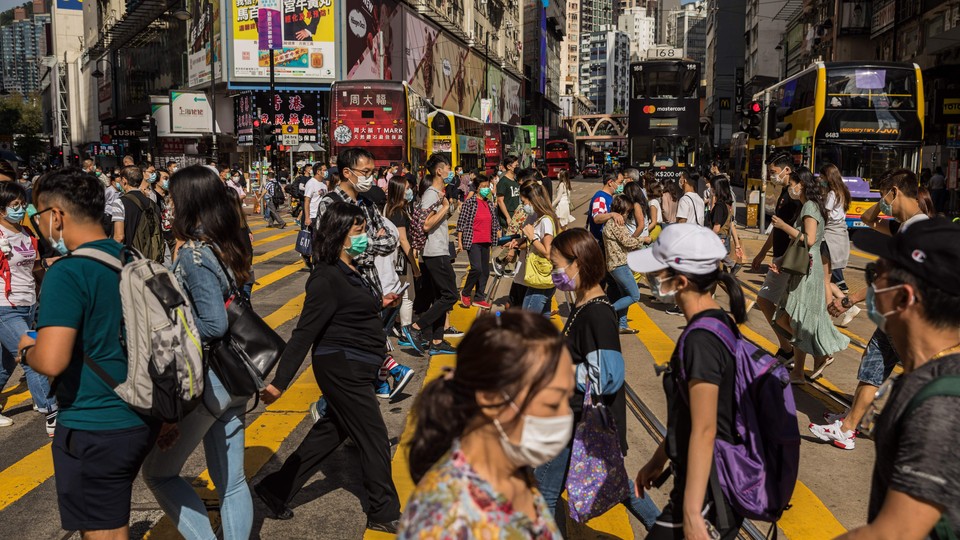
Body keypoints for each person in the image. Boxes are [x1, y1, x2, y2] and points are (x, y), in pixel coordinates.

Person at [19, 168, 159, 538]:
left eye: (37, 216)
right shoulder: (132, 258)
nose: (36, 226)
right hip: (143, 415)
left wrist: (26, 351)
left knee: (104, 532)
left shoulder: (69, 272)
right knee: (114, 521)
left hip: (94, 423)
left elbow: (51, 360)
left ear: (56, 216)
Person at [255, 202, 403, 534]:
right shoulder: (325, 277)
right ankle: (383, 511)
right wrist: (280, 382)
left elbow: (350, 310)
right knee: (374, 437)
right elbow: (303, 333)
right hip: (342, 367)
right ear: (338, 234)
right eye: (358, 231)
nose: (365, 236)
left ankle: (275, 489)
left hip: (358, 364)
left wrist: (380, 303)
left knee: (329, 434)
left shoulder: (351, 270)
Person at [141, 165, 254, 540]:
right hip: (236, 376)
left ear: (188, 201)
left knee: (158, 474)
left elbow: (213, 324)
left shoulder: (195, 254)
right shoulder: (228, 243)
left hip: (209, 381)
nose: (169, 204)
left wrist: (174, 334)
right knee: (232, 482)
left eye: (173, 197)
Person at [834, 218, 960, 540]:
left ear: (904, 298)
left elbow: (893, 535)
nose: (871, 287)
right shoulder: (929, 375)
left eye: (876, 276)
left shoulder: (940, 405)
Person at [399, 310, 572, 538]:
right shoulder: (446, 521)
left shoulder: (509, 469)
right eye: (552, 401)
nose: (566, 415)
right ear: (491, 398)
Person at [628, 224, 747, 539]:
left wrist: (692, 513)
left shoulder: (700, 341)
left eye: (657, 273)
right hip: (703, 485)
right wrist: (658, 460)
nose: (653, 281)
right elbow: (688, 413)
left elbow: (706, 428)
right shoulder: (719, 322)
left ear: (679, 281)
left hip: (708, 492)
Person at [535, 228, 659, 531]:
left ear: (578, 263)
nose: (555, 272)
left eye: (557, 264)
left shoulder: (598, 313)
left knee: (544, 493)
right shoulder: (583, 306)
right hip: (575, 418)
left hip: (580, 420)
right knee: (612, 483)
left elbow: (607, 376)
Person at [813, 168, 929, 451]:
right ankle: (849, 424)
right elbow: (867, 219)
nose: (882, 202)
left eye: (884, 195)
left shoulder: (917, 230)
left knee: (916, 379)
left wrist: (849, 299)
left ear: (895, 193)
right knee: (873, 368)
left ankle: (854, 427)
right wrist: (885, 197)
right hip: (893, 318)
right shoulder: (905, 225)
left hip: (908, 320)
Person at [771, 167, 850, 384]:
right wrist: (781, 261)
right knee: (789, 318)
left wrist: (783, 225)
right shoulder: (809, 205)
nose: (791, 189)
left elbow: (810, 239)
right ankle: (811, 361)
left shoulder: (810, 207)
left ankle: (817, 357)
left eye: (792, 184)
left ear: (801, 184)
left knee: (794, 318)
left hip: (808, 268)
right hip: (804, 266)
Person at [0, 182, 56, 434]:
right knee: (31, 356)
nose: (20, 209)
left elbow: (32, 266)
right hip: (4, 307)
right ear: (1, 210)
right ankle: (52, 412)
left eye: (22, 204)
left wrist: (48, 265)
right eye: (14, 206)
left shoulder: (25, 232)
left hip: (28, 305)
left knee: (4, 365)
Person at [401, 154, 458, 356]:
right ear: (439, 171)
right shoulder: (432, 194)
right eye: (448, 168)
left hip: (437, 250)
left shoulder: (436, 193)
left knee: (440, 296)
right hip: (435, 252)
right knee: (451, 295)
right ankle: (415, 328)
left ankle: (437, 340)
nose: (451, 172)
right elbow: (426, 224)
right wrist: (445, 208)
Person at [751, 153, 802, 360]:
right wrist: (762, 253)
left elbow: (795, 232)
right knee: (778, 307)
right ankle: (789, 348)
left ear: (786, 170)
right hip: (779, 258)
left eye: (773, 172)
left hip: (785, 259)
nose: (772, 176)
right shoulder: (784, 192)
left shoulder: (795, 197)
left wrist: (783, 260)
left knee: (765, 300)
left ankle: (797, 348)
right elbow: (776, 228)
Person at [603, 195, 651, 334]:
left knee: (625, 294)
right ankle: (607, 311)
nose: (628, 214)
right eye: (628, 211)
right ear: (622, 209)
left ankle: (622, 324)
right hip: (620, 265)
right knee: (634, 295)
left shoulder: (612, 222)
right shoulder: (616, 222)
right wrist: (644, 239)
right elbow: (628, 242)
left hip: (616, 264)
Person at [456, 174, 499, 309]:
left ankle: (479, 297)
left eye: (488, 186)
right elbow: (461, 223)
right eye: (483, 187)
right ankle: (466, 292)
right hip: (473, 240)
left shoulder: (489, 203)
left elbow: (494, 221)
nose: (486, 189)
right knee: (477, 268)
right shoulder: (470, 203)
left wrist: (498, 234)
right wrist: (460, 241)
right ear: (477, 188)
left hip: (486, 240)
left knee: (485, 271)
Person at [384, 175, 420, 332]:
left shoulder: (388, 208)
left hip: (392, 258)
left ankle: (397, 325)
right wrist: (415, 265)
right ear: (399, 190)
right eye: (406, 188)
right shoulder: (398, 212)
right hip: (402, 259)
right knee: (407, 296)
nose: (410, 190)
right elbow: (404, 241)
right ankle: (406, 330)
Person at [519, 183, 559, 316]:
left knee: (528, 318)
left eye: (524, 202)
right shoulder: (540, 218)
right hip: (538, 275)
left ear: (533, 200)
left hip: (542, 276)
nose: (524, 206)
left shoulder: (546, 221)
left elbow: (548, 252)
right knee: (543, 316)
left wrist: (532, 237)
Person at [119, 165, 165, 263]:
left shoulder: (119, 203)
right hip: (151, 259)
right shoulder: (153, 205)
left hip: (129, 259)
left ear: (124, 180)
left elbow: (119, 237)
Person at [709, 176, 743, 274]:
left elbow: (716, 227)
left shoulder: (719, 206)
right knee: (720, 274)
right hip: (725, 238)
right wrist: (737, 245)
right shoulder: (728, 205)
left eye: (712, 187)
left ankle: (732, 264)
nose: (711, 189)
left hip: (719, 238)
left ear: (717, 188)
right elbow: (732, 225)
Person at [586, 173, 624, 242]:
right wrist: (613, 214)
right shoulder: (601, 197)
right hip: (600, 240)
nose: (621, 186)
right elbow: (597, 218)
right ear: (610, 183)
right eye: (620, 182)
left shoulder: (609, 197)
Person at [496, 155, 522, 230]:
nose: (517, 167)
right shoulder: (503, 182)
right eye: (516, 165)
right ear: (509, 166)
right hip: (509, 217)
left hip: (517, 216)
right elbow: (500, 201)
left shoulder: (516, 180)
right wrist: (507, 217)